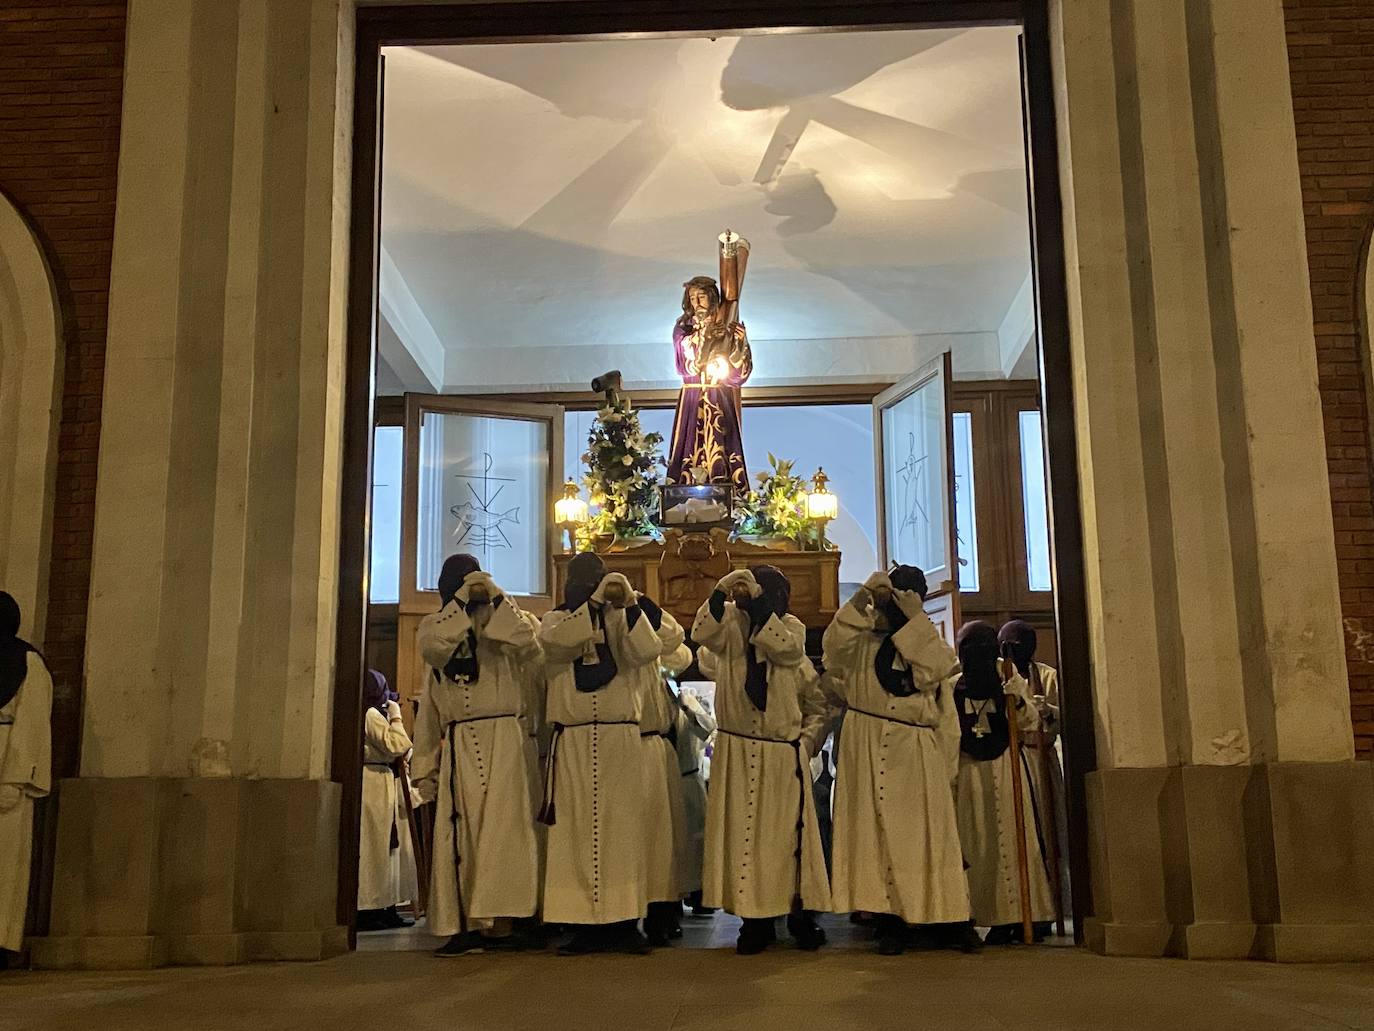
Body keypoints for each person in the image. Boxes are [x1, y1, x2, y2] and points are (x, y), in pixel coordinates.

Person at [822, 568, 974, 955]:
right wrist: (859, 600)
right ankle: (888, 920)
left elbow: (939, 669)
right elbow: (832, 650)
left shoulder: (924, 639)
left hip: (915, 747)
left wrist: (914, 619)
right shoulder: (861, 638)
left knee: (927, 837)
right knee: (876, 839)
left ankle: (946, 917)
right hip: (868, 742)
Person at [539, 553, 683, 955]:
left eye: (597, 580)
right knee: (575, 834)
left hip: (621, 739)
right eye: (584, 582)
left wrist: (633, 604)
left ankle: (624, 923)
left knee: (623, 833)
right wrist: (595, 606)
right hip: (575, 741)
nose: (590, 587)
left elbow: (648, 650)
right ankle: (583, 925)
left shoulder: (624, 620)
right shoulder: (556, 620)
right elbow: (556, 643)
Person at [692, 565, 831, 954]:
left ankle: (799, 917)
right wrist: (720, 591)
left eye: (775, 592)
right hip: (738, 750)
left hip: (780, 753)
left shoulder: (792, 631)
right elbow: (701, 634)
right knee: (746, 840)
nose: (773, 598)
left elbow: (786, 651)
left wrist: (804, 746)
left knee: (787, 840)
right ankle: (754, 921)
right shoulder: (729, 631)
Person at [413, 554, 543, 957]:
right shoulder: (435, 626)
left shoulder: (505, 621)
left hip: (504, 737)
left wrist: (494, 599)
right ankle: (465, 922)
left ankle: (506, 922)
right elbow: (432, 686)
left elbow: (527, 641)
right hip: (460, 742)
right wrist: (425, 768)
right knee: (461, 834)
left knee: (505, 832)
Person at [951, 621, 1055, 944]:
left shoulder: (1009, 679)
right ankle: (977, 915)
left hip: (1006, 766)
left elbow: (1030, 721)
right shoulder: (953, 685)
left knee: (1012, 839)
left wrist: (1019, 700)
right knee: (976, 843)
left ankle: (1018, 916)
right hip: (969, 773)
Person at [998, 619, 1069, 931]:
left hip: (1041, 758)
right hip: (1012, 758)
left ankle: (1049, 909)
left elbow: (1064, 715)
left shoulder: (1048, 675)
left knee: (1048, 831)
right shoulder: (999, 674)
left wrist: (1046, 710)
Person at [0, 592, 51, 969]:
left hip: (6, 762)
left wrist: (15, 778)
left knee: (5, 863)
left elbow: (32, 724)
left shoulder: (27, 662)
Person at [665, 274, 752, 489]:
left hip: (717, 395)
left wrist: (739, 341)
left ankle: (724, 485)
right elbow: (687, 363)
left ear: (711, 298)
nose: (696, 303)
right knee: (689, 443)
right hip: (693, 396)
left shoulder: (726, 324)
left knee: (722, 442)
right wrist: (705, 334)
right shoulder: (683, 329)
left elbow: (737, 376)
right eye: (692, 298)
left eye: (701, 297)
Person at [640, 641, 694, 946]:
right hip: (629, 748)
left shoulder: (654, 652)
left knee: (662, 840)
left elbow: (681, 653)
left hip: (658, 755)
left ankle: (663, 913)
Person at [357, 669, 414, 932]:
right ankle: (370, 909)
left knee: (386, 850)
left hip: (380, 782)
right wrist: (397, 717)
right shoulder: (369, 714)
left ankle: (385, 905)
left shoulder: (370, 714)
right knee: (374, 850)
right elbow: (397, 745)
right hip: (373, 783)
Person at [673, 683, 716, 916]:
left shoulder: (688, 704)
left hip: (689, 780)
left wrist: (688, 707)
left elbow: (707, 728)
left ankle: (699, 896)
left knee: (695, 844)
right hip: (672, 780)